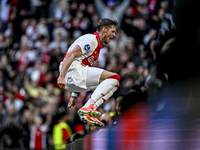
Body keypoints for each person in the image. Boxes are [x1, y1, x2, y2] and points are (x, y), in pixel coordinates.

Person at [57, 18, 120, 127]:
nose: (114, 35)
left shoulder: (96, 46)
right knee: (114, 78)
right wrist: (61, 76)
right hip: (71, 72)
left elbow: (82, 66)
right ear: (104, 30)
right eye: (112, 31)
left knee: (115, 84)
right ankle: (88, 107)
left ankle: (88, 111)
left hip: (74, 74)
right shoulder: (91, 40)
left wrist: (73, 95)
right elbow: (71, 54)